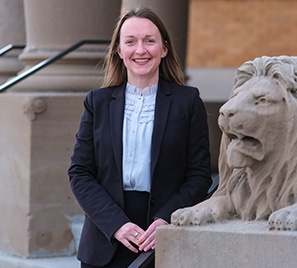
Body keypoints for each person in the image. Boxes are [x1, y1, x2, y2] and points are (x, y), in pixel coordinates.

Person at [68, 6, 211, 268]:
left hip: (163, 238)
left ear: (164, 49)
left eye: (149, 41)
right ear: (120, 51)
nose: (141, 50)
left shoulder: (187, 102)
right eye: (130, 42)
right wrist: (117, 225)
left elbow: (199, 176)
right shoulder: (97, 102)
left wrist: (166, 220)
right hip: (105, 237)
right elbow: (80, 173)